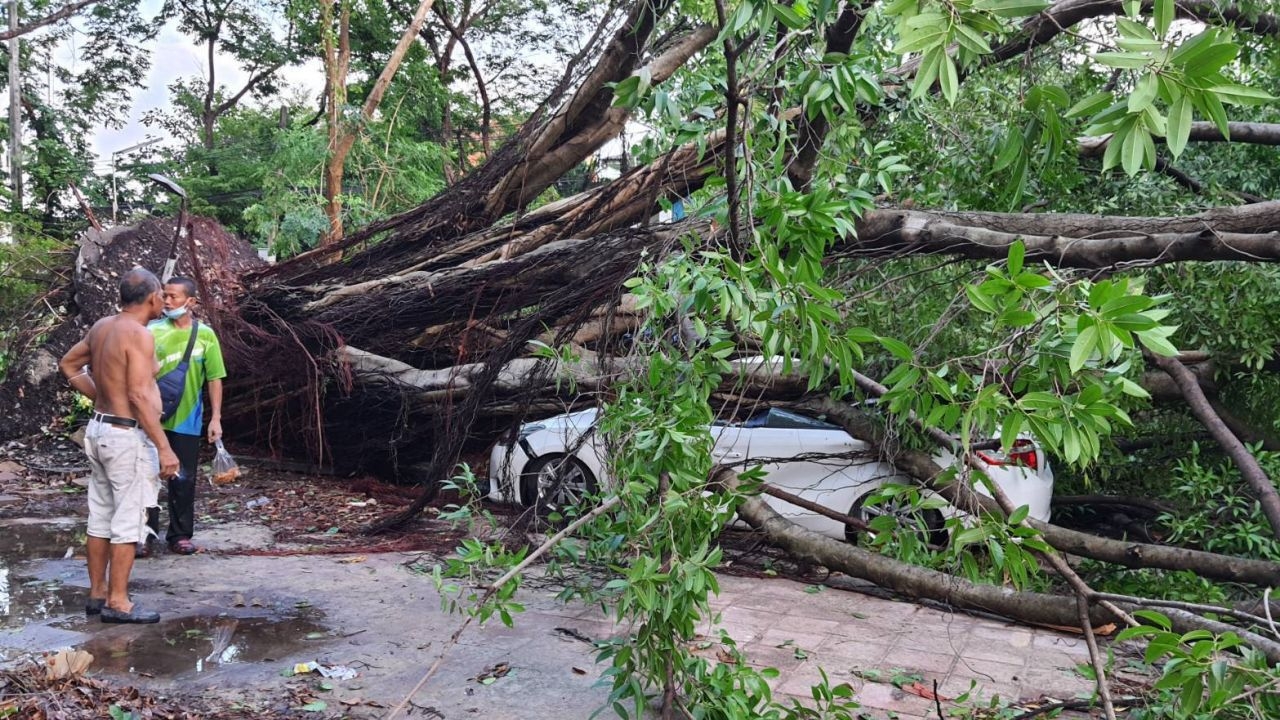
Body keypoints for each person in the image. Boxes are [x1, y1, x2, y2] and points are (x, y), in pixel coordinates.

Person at [59, 267, 179, 624]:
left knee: (100, 518)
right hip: (125, 437)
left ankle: (97, 594)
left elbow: (69, 364)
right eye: (163, 297)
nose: (165, 303)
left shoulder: (103, 327)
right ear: (153, 298)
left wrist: (102, 397)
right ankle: (119, 602)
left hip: (99, 431)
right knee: (128, 520)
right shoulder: (139, 334)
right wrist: (164, 447)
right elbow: (140, 394)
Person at [145, 276, 227, 556]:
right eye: (164, 296)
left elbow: (215, 378)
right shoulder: (151, 330)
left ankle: (179, 535)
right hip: (150, 418)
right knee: (147, 477)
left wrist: (215, 418)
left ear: (190, 302)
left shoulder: (205, 335)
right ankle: (145, 533)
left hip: (187, 420)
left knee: (183, 478)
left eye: (174, 297)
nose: (167, 302)